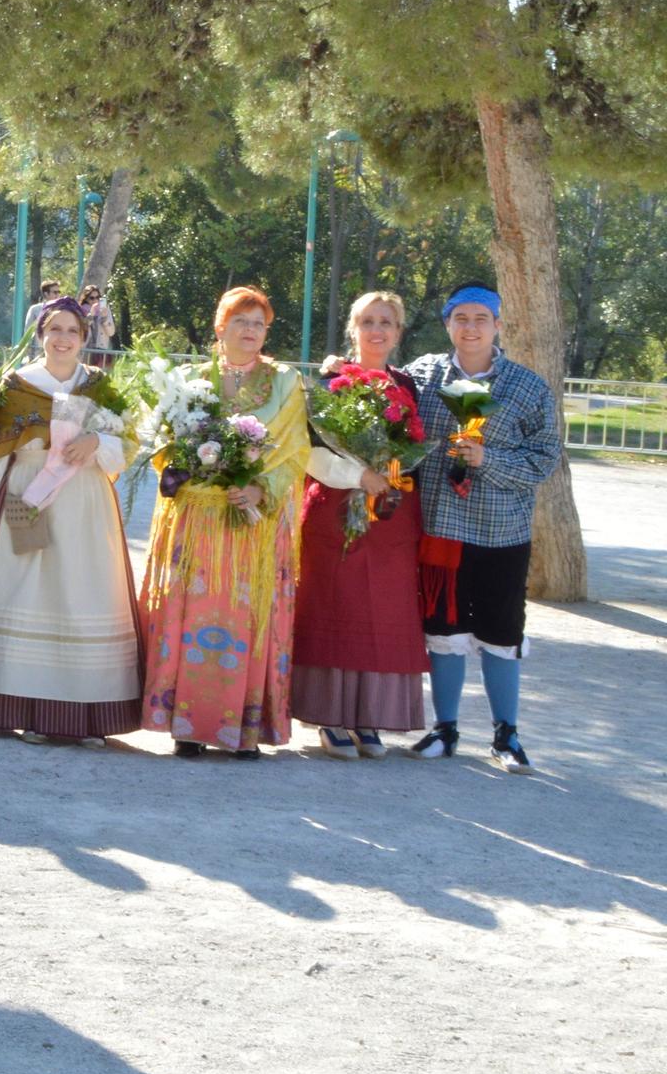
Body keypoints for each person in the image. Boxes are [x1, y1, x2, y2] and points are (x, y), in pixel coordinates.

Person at [140, 286, 309, 759]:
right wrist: (195, 468)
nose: (251, 330)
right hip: (197, 521)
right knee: (192, 616)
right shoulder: (188, 380)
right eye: (241, 321)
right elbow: (162, 443)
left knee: (246, 620)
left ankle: (242, 730)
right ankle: (187, 727)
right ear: (220, 327)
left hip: (250, 524)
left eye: (259, 323)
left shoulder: (284, 382)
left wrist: (260, 488)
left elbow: (296, 449)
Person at [0, 297, 142, 744]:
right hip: (28, 492)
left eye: (72, 331)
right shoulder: (17, 384)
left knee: (87, 594)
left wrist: (96, 439)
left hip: (84, 500)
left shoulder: (99, 386)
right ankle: (28, 711)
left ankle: (88, 717)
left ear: (85, 338)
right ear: (41, 334)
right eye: (54, 330)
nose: (62, 339)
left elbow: (129, 442)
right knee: (30, 591)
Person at [406, 283, 562, 772]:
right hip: (442, 528)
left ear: (497, 325)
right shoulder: (424, 376)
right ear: (447, 323)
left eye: (480, 318)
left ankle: (506, 735)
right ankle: (445, 728)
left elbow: (544, 459)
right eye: (460, 318)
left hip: (501, 533)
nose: (470, 327)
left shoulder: (527, 386)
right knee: (443, 630)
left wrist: (485, 458)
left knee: (501, 632)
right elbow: (385, 409)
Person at [291, 292, 429, 759]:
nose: (377, 330)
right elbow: (309, 453)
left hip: (391, 515)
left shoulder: (409, 384)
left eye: (386, 322)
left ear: (398, 331)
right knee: (336, 604)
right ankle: (330, 716)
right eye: (368, 321)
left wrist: (386, 475)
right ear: (353, 329)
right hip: (337, 507)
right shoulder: (330, 382)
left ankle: (368, 716)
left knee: (380, 613)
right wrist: (360, 476)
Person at [23, 280, 63, 358]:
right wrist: (29, 350)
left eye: (59, 292)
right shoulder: (35, 309)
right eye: (55, 292)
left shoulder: (63, 310)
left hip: (56, 351)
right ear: (46, 294)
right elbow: (28, 331)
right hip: (38, 351)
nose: (58, 295)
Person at [80, 284, 116, 363]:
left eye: (97, 297)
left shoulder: (105, 309)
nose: (95, 300)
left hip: (102, 350)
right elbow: (82, 328)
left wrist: (105, 319)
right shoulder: (81, 310)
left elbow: (111, 333)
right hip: (86, 350)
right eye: (92, 298)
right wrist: (91, 315)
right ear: (86, 299)